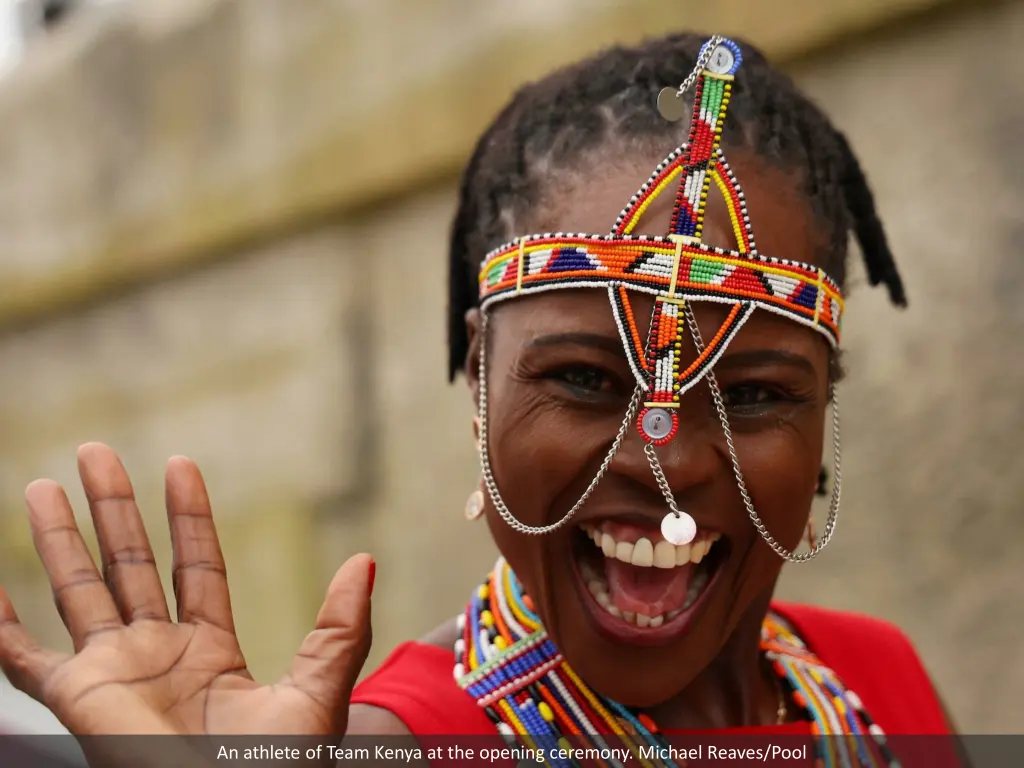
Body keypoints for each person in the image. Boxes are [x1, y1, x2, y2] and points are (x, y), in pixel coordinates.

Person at [0, 32, 961, 768]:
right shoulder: (395, 742)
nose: (666, 465)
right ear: (481, 378)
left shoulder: (878, 688)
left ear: (824, 410)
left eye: (754, 395)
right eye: (584, 379)